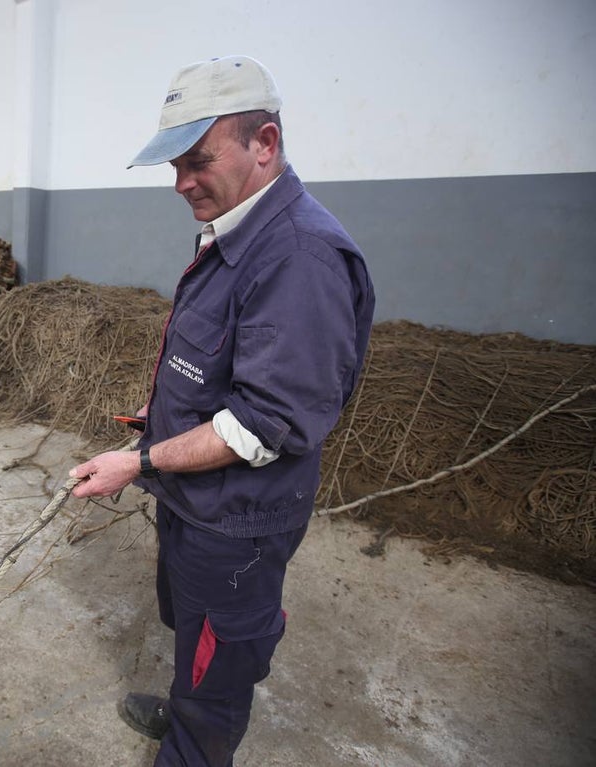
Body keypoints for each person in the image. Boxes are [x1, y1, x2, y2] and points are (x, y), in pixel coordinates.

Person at [69, 55, 375, 766]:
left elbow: (264, 423)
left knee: (220, 659)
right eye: (174, 165)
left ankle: (194, 744)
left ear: (264, 143)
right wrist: (161, 412)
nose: (180, 185)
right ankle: (186, 708)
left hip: (238, 522)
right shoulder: (233, 227)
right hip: (192, 501)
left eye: (197, 161)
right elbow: (219, 363)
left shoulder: (300, 256)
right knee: (191, 629)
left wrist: (137, 462)